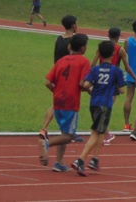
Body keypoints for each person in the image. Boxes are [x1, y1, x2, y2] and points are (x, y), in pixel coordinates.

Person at [38, 34, 91, 171]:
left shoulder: (61, 61)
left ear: (69, 46)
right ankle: (47, 144)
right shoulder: (84, 62)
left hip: (57, 101)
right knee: (69, 136)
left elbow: (48, 82)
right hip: (71, 102)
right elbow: (83, 84)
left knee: (64, 133)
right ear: (83, 48)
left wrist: (56, 92)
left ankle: (59, 163)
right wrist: (92, 91)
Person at [71, 40, 126, 176]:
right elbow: (123, 90)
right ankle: (80, 160)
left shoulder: (95, 69)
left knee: (102, 131)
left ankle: (95, 159)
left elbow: (86, 84)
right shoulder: (116, 71)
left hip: (94, 103)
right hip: (105, 104)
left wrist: (92, 88)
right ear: (113, 54)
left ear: (100, 54)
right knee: (96, 133)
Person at [91, 27, 136, 146]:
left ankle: (102, 132)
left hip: (101, 80)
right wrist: (135, 78)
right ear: (118, 36)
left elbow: (93, 64)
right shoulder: (120, 50)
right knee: (106, 109)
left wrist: (92, 77)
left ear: (108, 35)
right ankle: (106, 134)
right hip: (112, 82)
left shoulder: (101, 47)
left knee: (101, 108)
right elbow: (127, 67)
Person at [39, 15, 83, 143]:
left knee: (57, 103)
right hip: (67, 76)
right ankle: (70, 132)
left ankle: (44, 129)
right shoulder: (73, 42)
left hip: (57, 73)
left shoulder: (57, 39)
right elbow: (72, 58)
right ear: (74, 25)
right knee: (66, 104)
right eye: (77, 23)